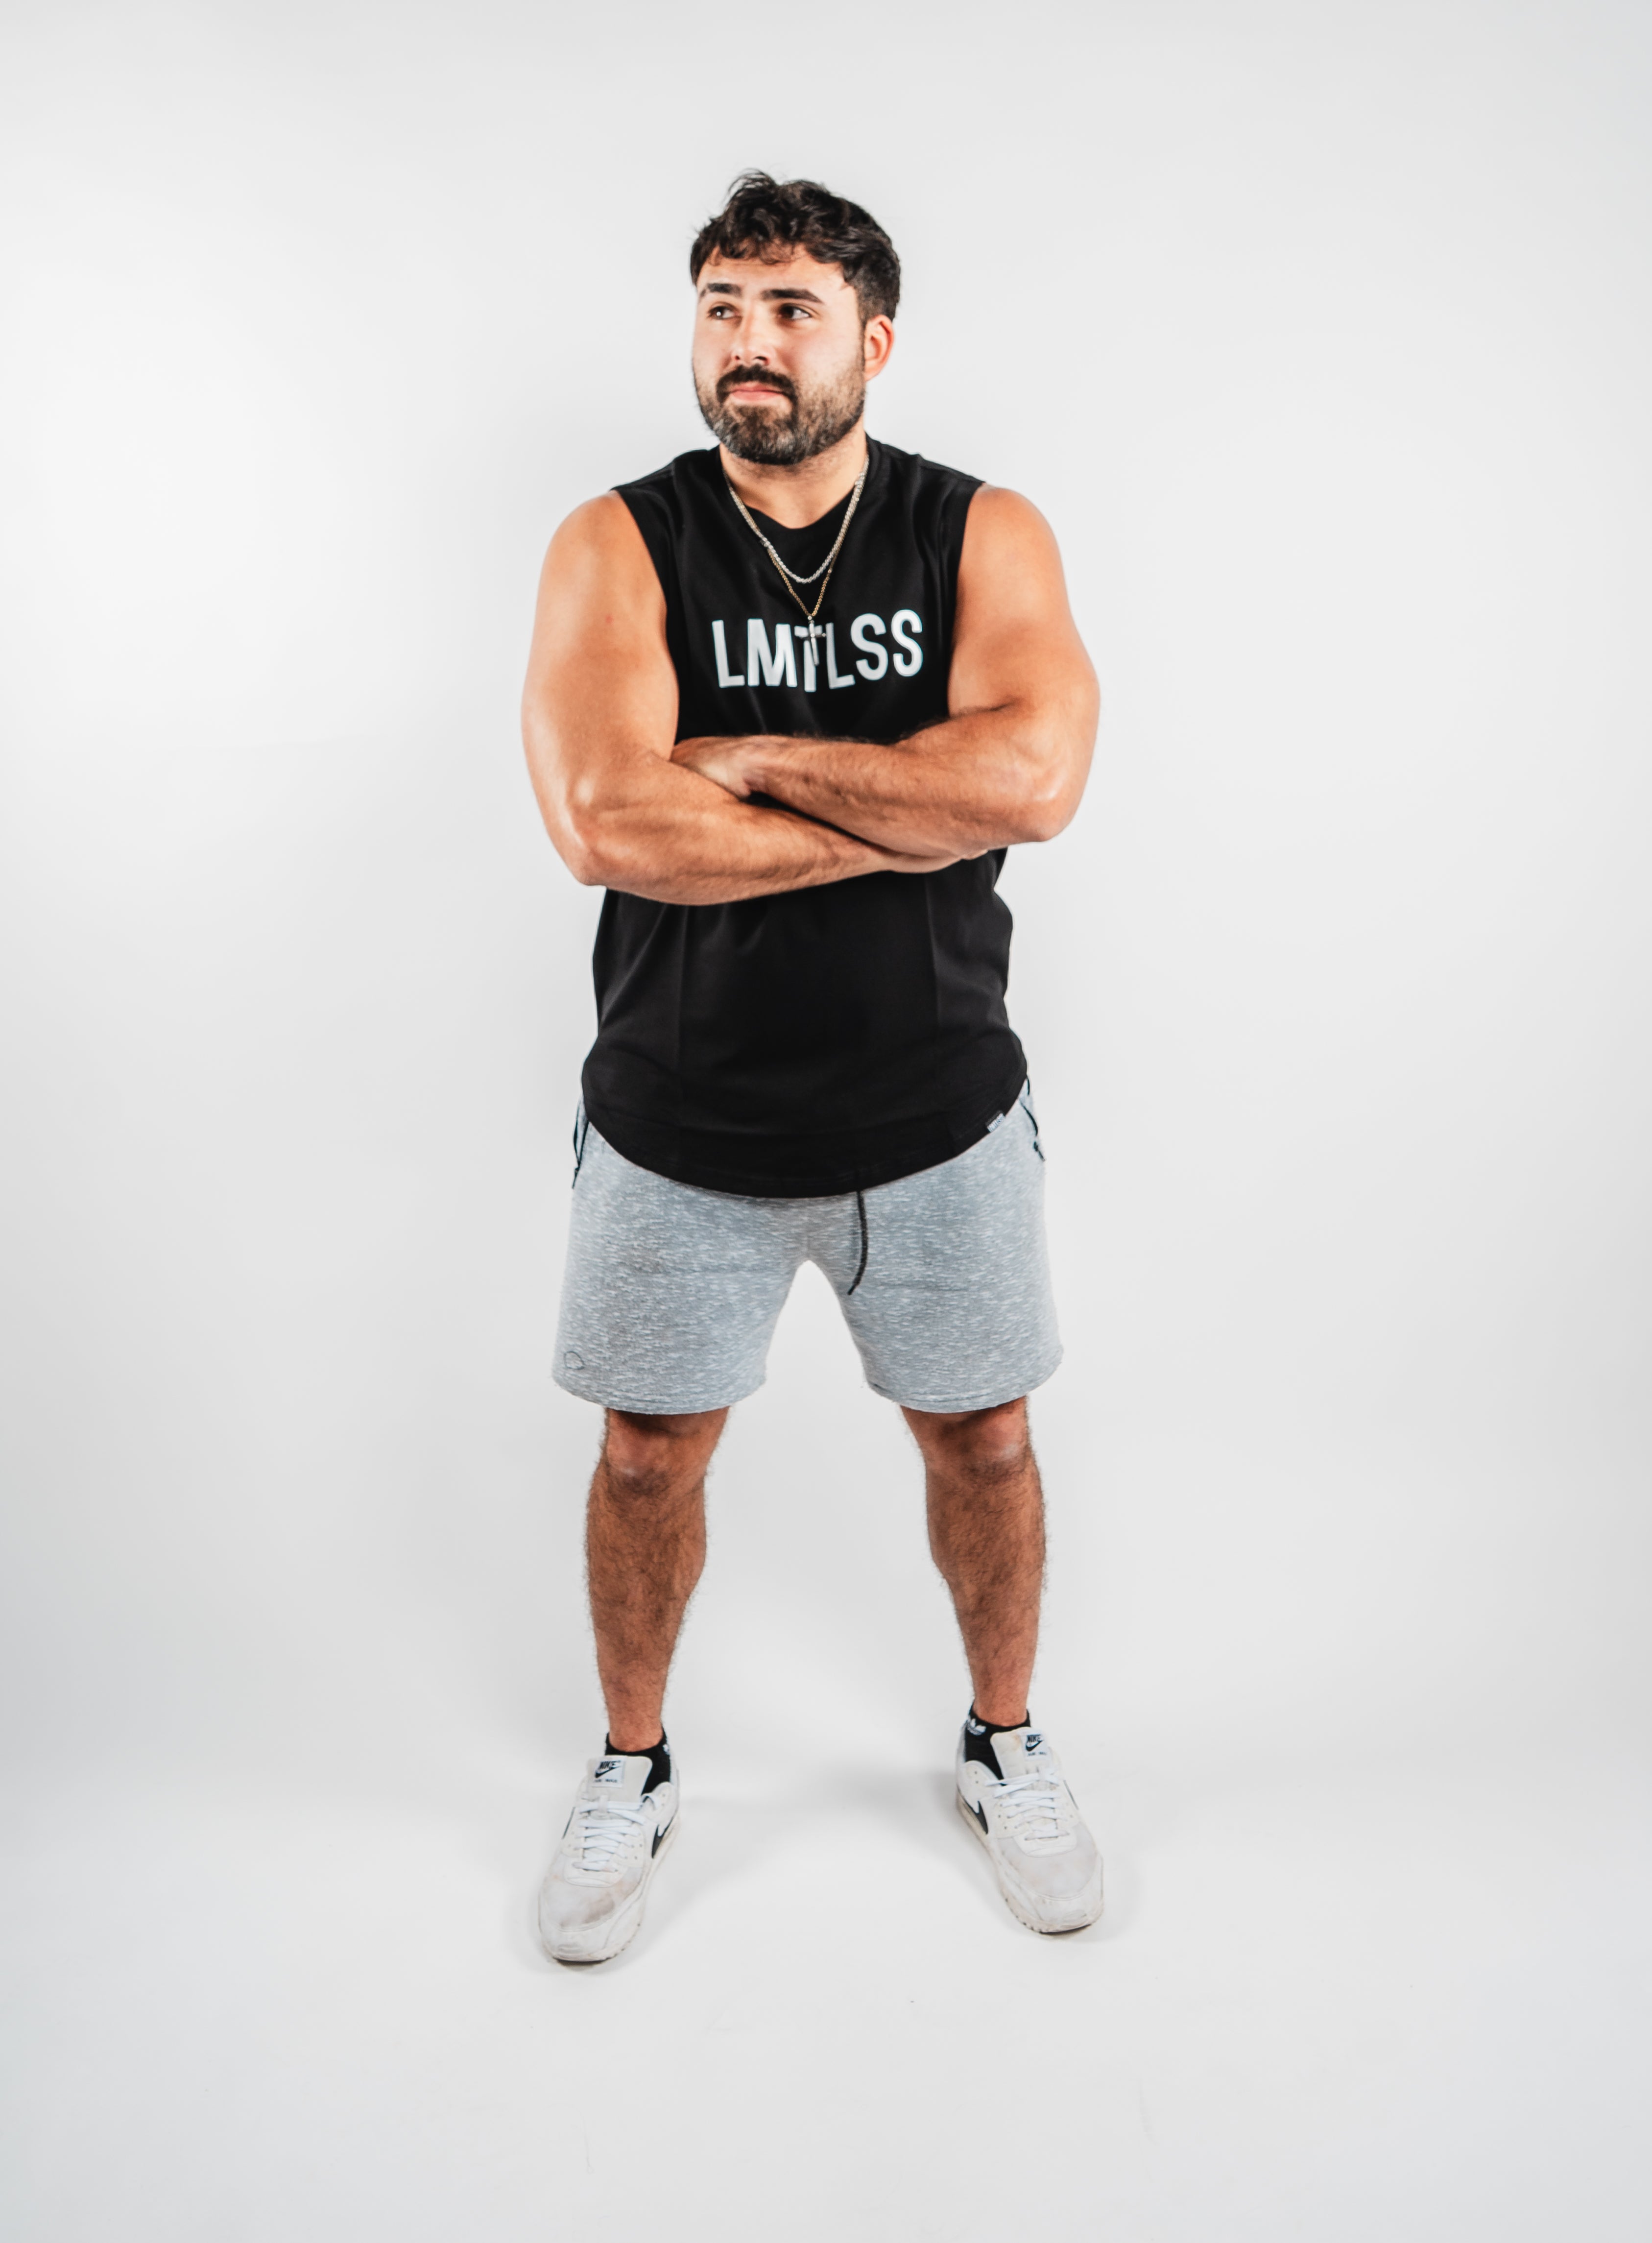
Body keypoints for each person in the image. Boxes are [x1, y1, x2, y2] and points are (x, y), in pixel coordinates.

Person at [521, 173, 1101, 1963]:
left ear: (875, 340)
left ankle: (1004, 1742)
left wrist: (754, 756)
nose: (749, 343)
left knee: (987, 1439)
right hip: (675, 1124)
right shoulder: (618, 542)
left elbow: (1035, 783)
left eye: (790, 309)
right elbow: (606, 819)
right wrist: (907, 805)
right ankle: (633, 1764)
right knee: (645, 1459)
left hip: (941, 1115)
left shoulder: (979, 530)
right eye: (722, 307)